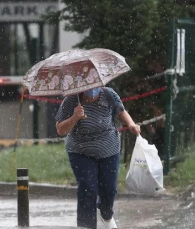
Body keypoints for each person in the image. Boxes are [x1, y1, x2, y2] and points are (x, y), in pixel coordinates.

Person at [55, 87, 140, 229]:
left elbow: (121, 111)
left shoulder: (108, 94)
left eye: (96, 86)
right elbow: (60, 130)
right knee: (88, 188)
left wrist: (130, 124)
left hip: (109, 149)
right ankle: (86, 225)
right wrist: (75, 117)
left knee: (109, 189)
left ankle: (106, 215)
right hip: (81, 152)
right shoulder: (71, 100)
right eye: (88, 87)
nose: (93, 91)